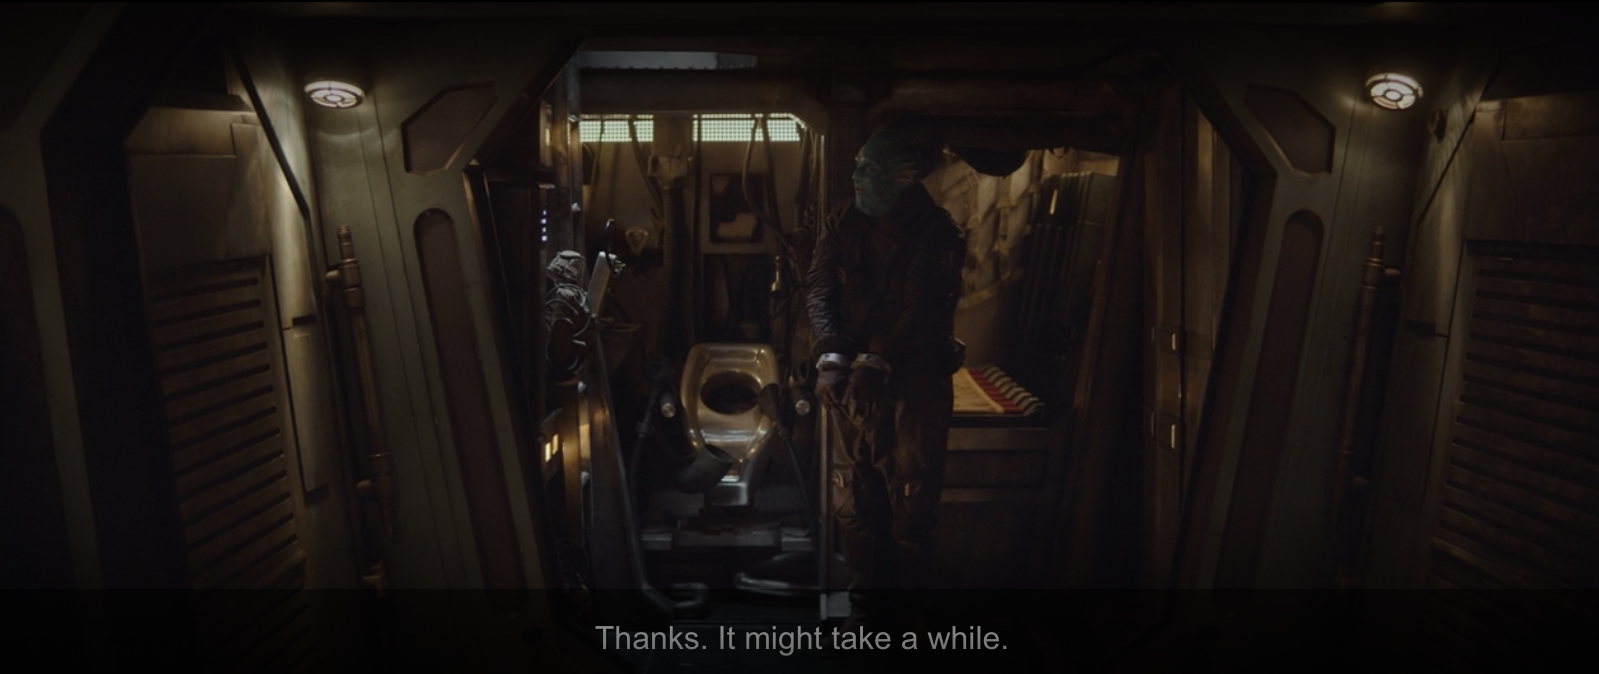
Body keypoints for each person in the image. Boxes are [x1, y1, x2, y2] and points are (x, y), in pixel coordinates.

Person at [806, 127, 966, 635]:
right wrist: (832, 355)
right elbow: (819, 289)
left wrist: (874, 364)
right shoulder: (843, 221)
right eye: (857, 164)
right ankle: (866, 615)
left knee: (911, 506)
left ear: (904, 178)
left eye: (869, 169)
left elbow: (920, 309)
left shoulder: (937, 233)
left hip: (913, 389)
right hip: (853, 380)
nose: (856, 176)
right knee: (854, 501)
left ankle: (907, 622)